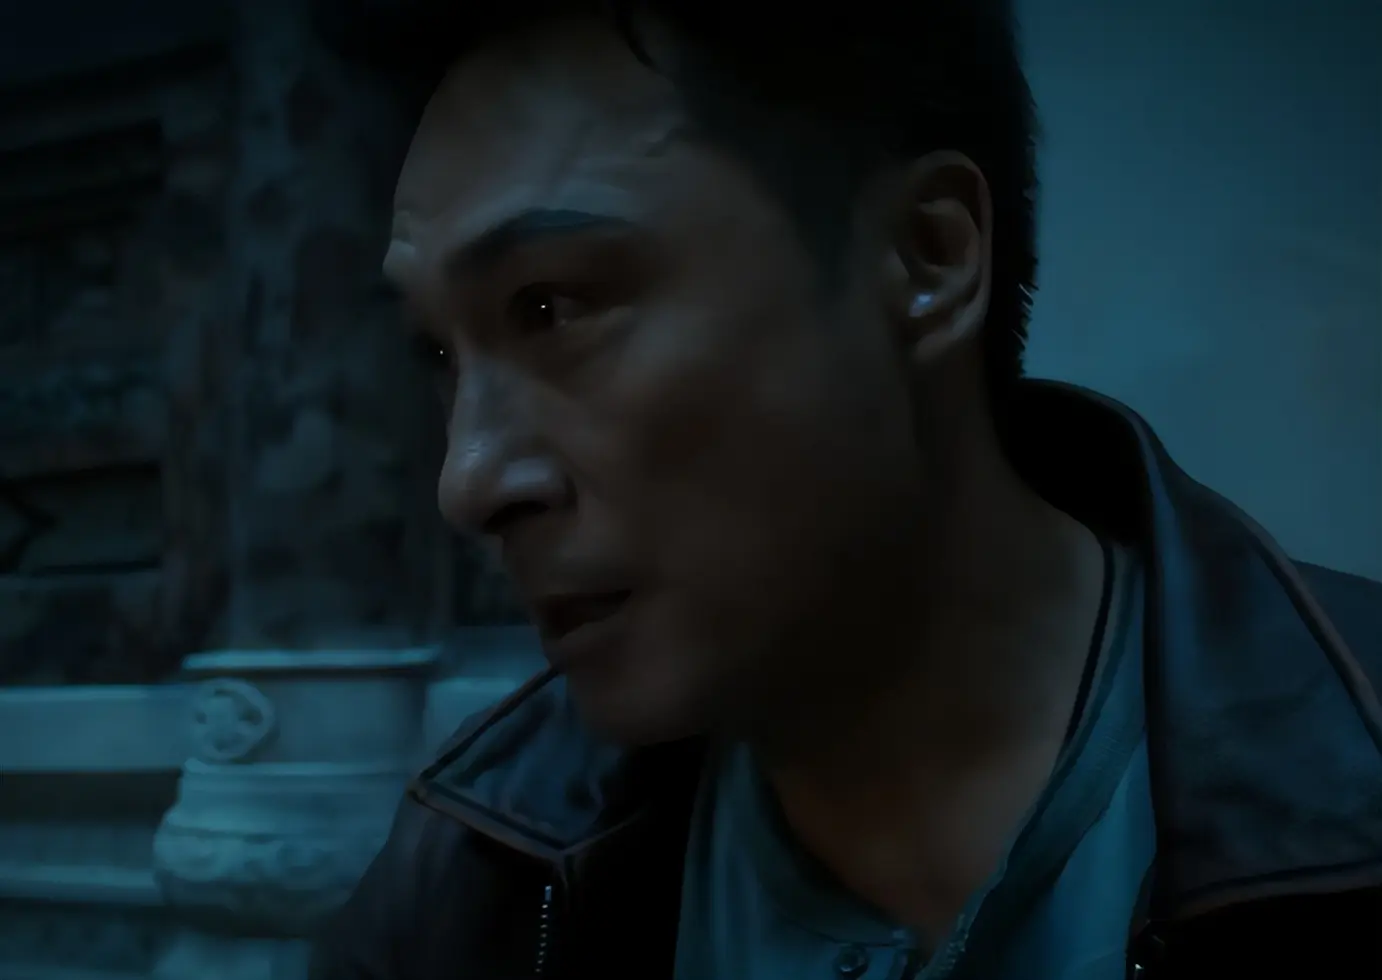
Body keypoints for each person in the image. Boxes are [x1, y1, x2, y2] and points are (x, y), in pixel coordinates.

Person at [310, 3, 1382, 978]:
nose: (468, 481)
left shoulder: (1350, 775)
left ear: (925, 256)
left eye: (550, 307)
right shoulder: (471, 882)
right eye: (440, 355)